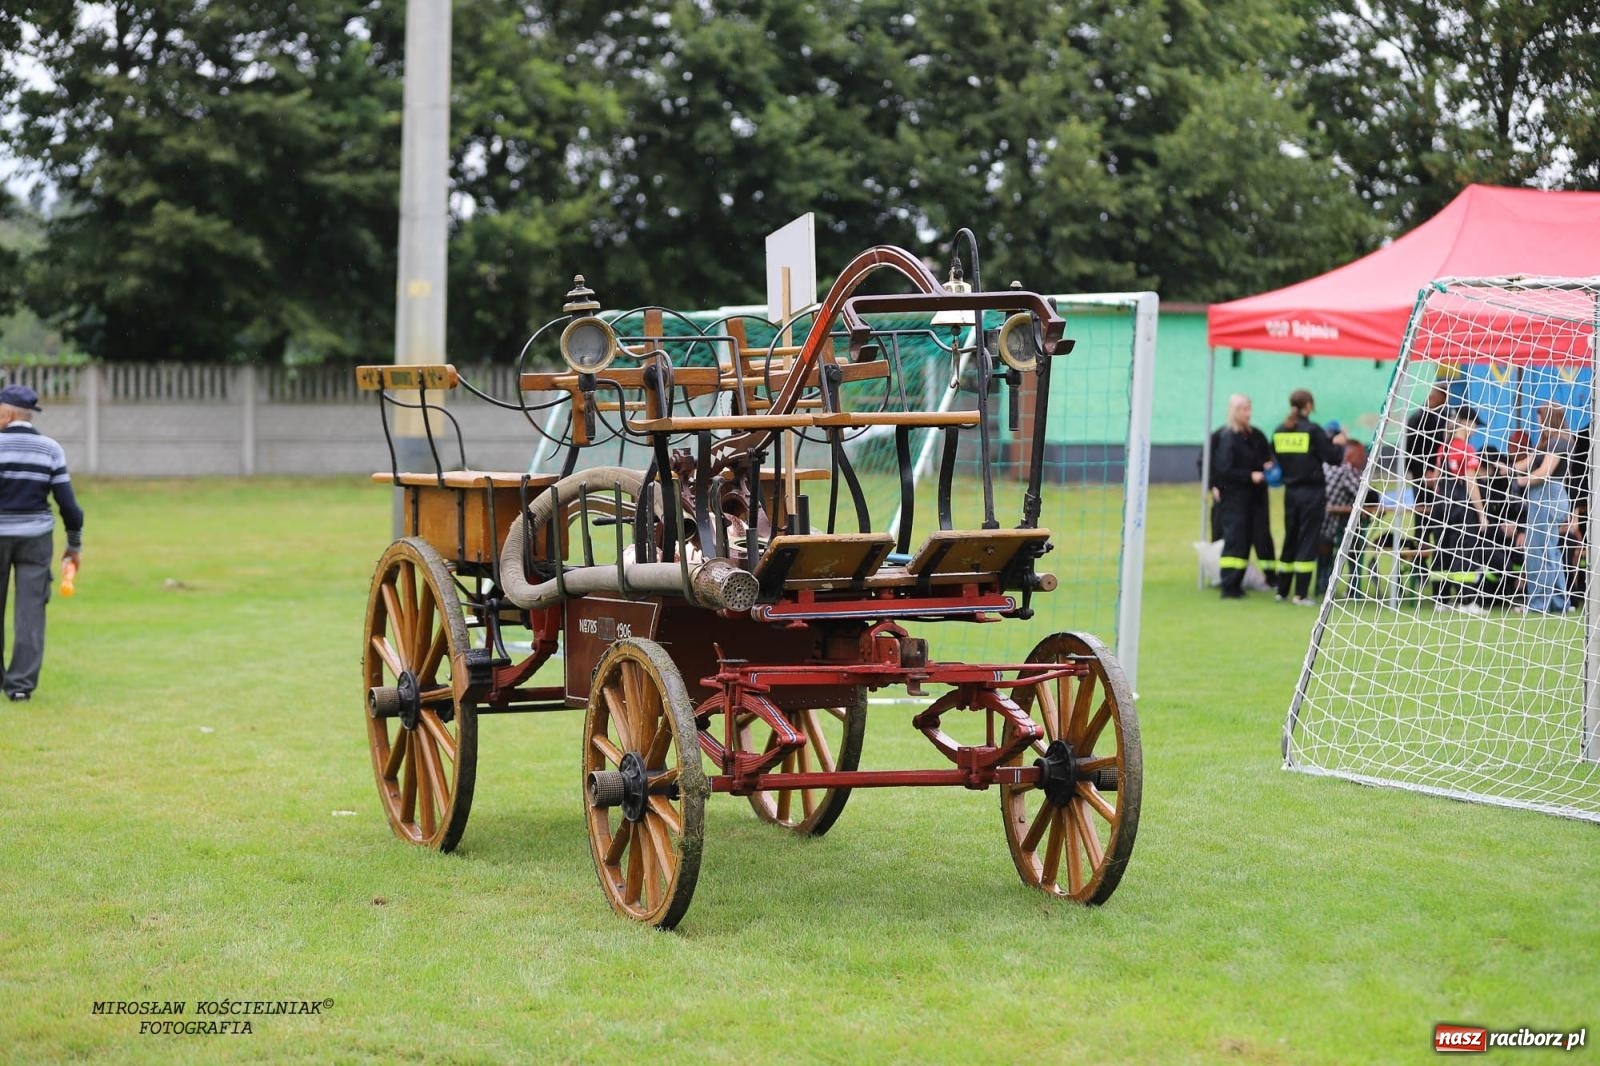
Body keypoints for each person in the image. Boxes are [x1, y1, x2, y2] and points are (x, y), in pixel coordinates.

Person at [0, 384, 84, 700]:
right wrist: (74, 546)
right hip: (35, 538)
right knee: (30, 612)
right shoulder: (50, 449)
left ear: (7, 413)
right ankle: (20, 688)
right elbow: (70, 507)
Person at [1272, 389, 1346, 604]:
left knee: (1290, 538)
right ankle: (1301, 594)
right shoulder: (1312, 430)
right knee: (1307, 540)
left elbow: (1277, 456)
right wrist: (1338, 445)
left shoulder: (1279, 431)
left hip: (1290, 492)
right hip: (1312, 493)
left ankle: (1282, 590)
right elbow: (1332, 458)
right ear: (1309, 405)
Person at [1209, 394, 1277, 599]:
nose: (1248, 413)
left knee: (1255, 538)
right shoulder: (1227, 437)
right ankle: (1229, 585)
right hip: (1235, 498)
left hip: (1255, 497)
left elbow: (1265, 457)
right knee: (1235, 540)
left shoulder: (1255, 435)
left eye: (1249, 408)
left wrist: (1266, 466)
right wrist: (1250, 475)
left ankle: (1260, 580)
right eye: (1243, 409)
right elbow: (1224, 469)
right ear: (1233, 411)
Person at [1514, 403, 1574, 613]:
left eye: (1540, 418)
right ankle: (1560, 603)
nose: (1538, 423)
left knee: (1538, 553)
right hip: (1549, 498)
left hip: (1547, 498)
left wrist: (1523, 481)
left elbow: (1544, 471)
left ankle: (1538, 604)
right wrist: (1504, 467)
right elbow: (1527, 463)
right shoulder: (1548, 442)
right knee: (1550, 553)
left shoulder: (1558, 442)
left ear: (1548, 419)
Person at [1431, 407, 1491, 615]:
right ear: (1466, 423)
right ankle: (1467, 601)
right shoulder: (1467, 449)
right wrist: (1481, 513)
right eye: (1474, 425)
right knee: (1464, 552)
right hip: (1461, 506)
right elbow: (1471, 482)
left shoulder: (1443, 449)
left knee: (1442, 550)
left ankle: (1441, 599)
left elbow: (1436, 479)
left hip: (1440, 506)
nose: (1474, 430)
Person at [1317, 439, 1366, 596]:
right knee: (1355, 547)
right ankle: (1353, 588)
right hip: (1333, 526)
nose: (1363, 459)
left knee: (1327, 555)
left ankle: (1322, 586)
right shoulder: (1347, 470)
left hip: (1319, 524)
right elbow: (1363, 494)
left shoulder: (1326, 467)